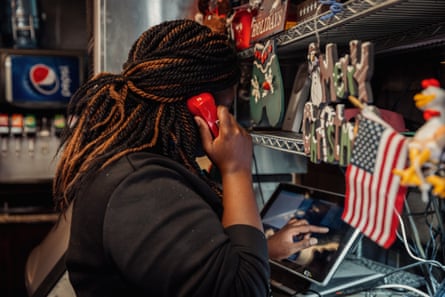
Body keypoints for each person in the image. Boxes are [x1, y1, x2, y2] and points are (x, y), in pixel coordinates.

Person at [52, 19, 325, 297]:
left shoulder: (140, 167)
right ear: (201, 107)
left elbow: (184, 264)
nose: (228, 120)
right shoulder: (141, 189)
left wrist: (262, 251)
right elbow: (242, 291)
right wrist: (235, 169)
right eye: (227, 108)